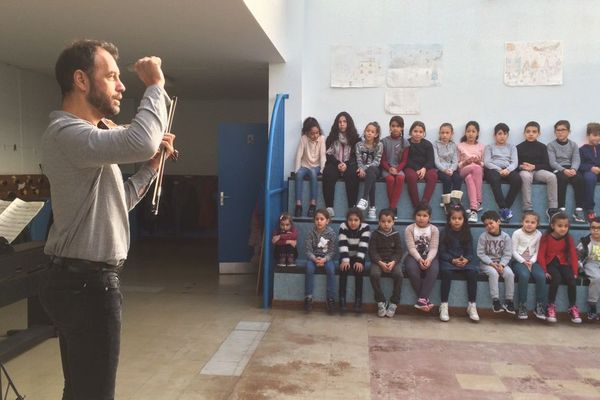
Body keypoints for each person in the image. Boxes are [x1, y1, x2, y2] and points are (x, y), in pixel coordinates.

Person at [39, 39, 174, 400]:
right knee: (94, 393)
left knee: (82, 390)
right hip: (86, 285)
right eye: (111, 76)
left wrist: (152, 167)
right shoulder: (67, 133)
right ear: (81, 80)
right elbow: (143, 139)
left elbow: (121, 200)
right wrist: (155, 85)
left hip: (84, 282)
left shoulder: (89, 140)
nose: (121, 85)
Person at [438, 205, 479, 322]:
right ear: (449, 220)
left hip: (463, 260)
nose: (456, 221)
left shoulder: (467, 232)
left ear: (464, 220)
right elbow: (441, 251)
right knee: (446, 273)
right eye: (454, 218)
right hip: (448, 260)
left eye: (459, 219)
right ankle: (444, 305)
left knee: (472, 272)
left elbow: (470, 251)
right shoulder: (444, 232)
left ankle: (472, 305)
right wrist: (452, 260)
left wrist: (466, 259)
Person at [538, 212, 581, 323]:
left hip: (563, 264)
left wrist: (575, 271)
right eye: (560, 226)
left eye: (566, 226)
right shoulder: (546, 237)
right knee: (556, 278)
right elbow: (541, 255)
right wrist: (544, 270)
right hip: (550, 264)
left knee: (571, 280)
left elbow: (573, 255)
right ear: (553, 226)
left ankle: (572, 307)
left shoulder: (568, 238)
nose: (563, 229)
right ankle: (550, 306)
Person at [516, 121, 559, 219]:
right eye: (528, 131)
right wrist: (521, 167)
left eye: (534, 132)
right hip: (525, 171)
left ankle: (552, 208)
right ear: (524, 133)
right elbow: (515, 164)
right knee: (525, 176)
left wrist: (534, 167)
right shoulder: (519, 147)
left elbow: (548, 165)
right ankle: (527, 208)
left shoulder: (543, 147)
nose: (531, 134)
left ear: (538, 134)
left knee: (552, 176)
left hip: (538, 171)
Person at [322, 112, 360, 217]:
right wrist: (338, 163)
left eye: (344, 121)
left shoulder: (356, 139)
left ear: (349, 123)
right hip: (335, 164)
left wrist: (346, 164)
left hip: (350, 164)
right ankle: (329, 207)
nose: (342, 124)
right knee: (328, 173)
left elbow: (356, 156)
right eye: (339, 122)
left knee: (352, 174)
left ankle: (352, 207)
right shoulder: (331, 138)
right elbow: (328, 154)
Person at [477, 210, 516, 315]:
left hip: (501, 263)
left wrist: (502, 264)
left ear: (498, 222)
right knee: (493, 273)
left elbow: (507, 254)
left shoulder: (506, 237)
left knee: (509, 274)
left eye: (491, 223)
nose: (489, 226)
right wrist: (491, 263)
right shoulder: (483, 237)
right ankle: (495, 301)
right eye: (486, 225)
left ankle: (509, 301)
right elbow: (480, 253)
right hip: (487, 264)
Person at [547, 120, 585, 222]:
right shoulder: (551, 145)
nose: (560, 132)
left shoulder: (573, 145)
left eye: (563, 130)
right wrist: (563, 170)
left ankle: (578, 210)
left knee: (580, 179)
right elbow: (552, 162)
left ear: (569, 131)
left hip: (571, 168)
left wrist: (573, 169)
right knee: (562, 179)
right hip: (558, 168)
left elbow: (576, 158)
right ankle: (561, 209)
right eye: (557, 130)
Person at [404, 203, 439, 312]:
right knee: (412, 270)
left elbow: (433, 247)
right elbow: (411, 248)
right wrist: (419, 259)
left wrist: (428, 259)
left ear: (429, 217)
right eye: (419, 215)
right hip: (413, 256)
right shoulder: (409, 229)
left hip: (430, 256)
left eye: (425, 216)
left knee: (433, 270)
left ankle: (421, 299)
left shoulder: (434, 229)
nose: (421, 218)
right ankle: (424, 299)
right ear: (415, 216)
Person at [511, 211, 546, 320]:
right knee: (524, 275)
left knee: (541, 276)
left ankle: (539, 305)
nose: (529, 224)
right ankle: (522, 305)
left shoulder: (539, 234)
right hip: (518, 261)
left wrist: (532, 261)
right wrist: (523, 261)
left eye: (532, 222)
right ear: (522, 222)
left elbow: (537, 251)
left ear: (537, 224)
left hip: (533, 261)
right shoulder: (517, 233)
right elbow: (513, 251)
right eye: (527, 221)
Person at [483, 123, 521, 222]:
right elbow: (487, 162)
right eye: (499, 134)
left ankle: (505, 208)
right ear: (495, 135)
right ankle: (503, 207)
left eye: (505, 134)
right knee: (494, 179)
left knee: (517, 180)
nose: (502, 136)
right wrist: (499, 170)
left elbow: (515, 162)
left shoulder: (512, 147)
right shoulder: (489, 147)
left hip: (508, 168)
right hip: (494, 169)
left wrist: (507, 170)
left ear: (507, 135)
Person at [369, 208, 403, 318]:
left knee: (399, 275)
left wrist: (393, 262)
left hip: (393, 261)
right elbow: (372, 251)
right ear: (379, 222)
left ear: (393, 222)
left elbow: (399, 251)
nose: (386, 224)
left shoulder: (396, 234)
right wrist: (380, 262)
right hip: (378, 261)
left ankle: (394, 302)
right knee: (374, 274)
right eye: (383, 221)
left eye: (389, 221)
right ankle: (380, 301)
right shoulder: (375, 234)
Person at [304, 208, 337, 313]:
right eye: (317, 219)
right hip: (313, 257)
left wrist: (324, 259)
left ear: (327, 221)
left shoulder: (331, 234)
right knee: (309, 269)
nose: (319, 221)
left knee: (331, 270)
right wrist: (314, 259)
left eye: (322, 219)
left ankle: (330, 298)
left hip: (326, 258)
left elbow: (332, 252)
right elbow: (308, 251)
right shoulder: (310, 233)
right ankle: (308, 297)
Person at [338, 208, 371, 314]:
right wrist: (345, 260)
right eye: (350, 220)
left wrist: (359, 260)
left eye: (356, 220)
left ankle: (358, 301)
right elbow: (342, 244)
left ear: (360, 220)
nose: (353, 222)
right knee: (343, 271)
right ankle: (342, 300)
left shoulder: (365, 228)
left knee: (359, 272)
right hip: (346, 256)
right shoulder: (343, 227)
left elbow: (363, 245)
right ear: (347, 220)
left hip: (358, 256)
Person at [294, 117, 326, 218]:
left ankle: (313, 204)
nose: (315, 135)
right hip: (305, 165)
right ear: (307, 133)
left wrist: (322, 170)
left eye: (317, 132)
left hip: (316, 166)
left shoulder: (322, 139)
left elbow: (323, 156)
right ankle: (298, 204)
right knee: (299, 175)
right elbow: (299, 154)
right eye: (312, 133)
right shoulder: (304, 138)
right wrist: (297, 169)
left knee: (313, 172)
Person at [380, 116, 410, 217]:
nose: (395, 128)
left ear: (402, 128)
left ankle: (392, 208)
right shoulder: (384, 141)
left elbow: (404, 161)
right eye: (393, 126)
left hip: (398, 168)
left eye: (398, 126)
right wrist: (389, 169)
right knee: (390, 179)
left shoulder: (405, 142)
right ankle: (393, 208)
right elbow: (382, 160)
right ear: (389, 127)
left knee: (401, 177)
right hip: (386, 168)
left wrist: (397, 170)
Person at [404, 121, 438, 208]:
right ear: (411, 132)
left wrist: (424, 168)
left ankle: (424, 204)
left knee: (433, 175)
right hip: (410, 167)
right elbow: (405, 160)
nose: (417, 134)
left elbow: (431, 160)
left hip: (425, 168)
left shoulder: (427, 144)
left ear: (423, 133)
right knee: (411, 177)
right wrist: (416, 169)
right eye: (415, 131)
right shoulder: (406, 144)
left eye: (420, 132)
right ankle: (416, 206)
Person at [457, 121, 484, 223]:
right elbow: (457, 165)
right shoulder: (460, 145)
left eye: (473, 131)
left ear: (477, 133)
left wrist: (478, 162)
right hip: (463, 170)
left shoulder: (481, 146)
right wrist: (465, 163)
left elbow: (483, 164)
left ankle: (473, 210)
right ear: (465, 132)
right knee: (475, 168)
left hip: (476, 174)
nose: (471, 133)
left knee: (470, 178)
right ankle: (479, 201)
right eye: (468, 131)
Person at [355, 122, 383, 219]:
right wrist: (361, 168)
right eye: (367, 131)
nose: (369, 133)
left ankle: (364, 198)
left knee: (371, 170)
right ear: (364, 132)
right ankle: (372, 208)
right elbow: (358, 159)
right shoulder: (358, 145)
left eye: (372, 132)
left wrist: (364, 169)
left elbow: (377, 161)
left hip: (376, 169)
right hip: (366, 171)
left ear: (376, 134)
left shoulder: (379, 145)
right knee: (372, 178)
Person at [433, 123, 462, 213]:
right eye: (442, 133)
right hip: (440, 169)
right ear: (439, 133)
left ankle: (455, 202)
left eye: (447, 133)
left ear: (451, 134)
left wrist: (452, 169)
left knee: (458, 178)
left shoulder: (453, 145)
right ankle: (447, 203)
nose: (444, 135)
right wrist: (444, 170)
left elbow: (455, 160)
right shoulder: (435, 144)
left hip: (451, 168)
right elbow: (436, 160)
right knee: (447, 179)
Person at [576, 216, 600, 321]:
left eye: (599, 228)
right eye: (593, 227)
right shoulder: (586, 242)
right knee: (596, 278)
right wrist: (579, 268)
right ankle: (592, 306)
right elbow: (577, 257)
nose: (595, 230)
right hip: (590, 263)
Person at [578, 122, 600, 221]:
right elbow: (579, 164)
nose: (597, 138)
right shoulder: (582, 149)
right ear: (588, 135)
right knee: (589, 178)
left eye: (599, 135)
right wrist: (590, 168)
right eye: (595, 135)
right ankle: (590, 209)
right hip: (589, 172)